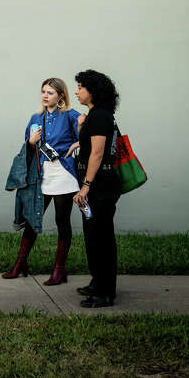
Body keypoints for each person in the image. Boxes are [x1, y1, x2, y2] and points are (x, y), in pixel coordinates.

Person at [2, 78, 83, 284]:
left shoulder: (71, 116)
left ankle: (59, 270)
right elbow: (28, 146)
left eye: (50, 93)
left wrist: (75, 145)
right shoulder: (36, 117)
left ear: (61, 96)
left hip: (63, 174)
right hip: (41, 174)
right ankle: (20, 264)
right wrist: (31, 142)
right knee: (31, 218)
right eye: (43, 92)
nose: (45, 96)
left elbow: (88, 136)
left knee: (61, 221)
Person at [72, 69, 122, 308]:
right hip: (94, 188)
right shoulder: (94, 115)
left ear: (93, 90)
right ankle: (98, 282)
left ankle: (105, 292)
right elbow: (87, 145)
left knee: (101, 238)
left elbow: (98, 152)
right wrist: (81, 127)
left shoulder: (101, 115)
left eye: (81, 87)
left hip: (99, 187)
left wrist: (85, 186)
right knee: (93, 236)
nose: (76, 91)